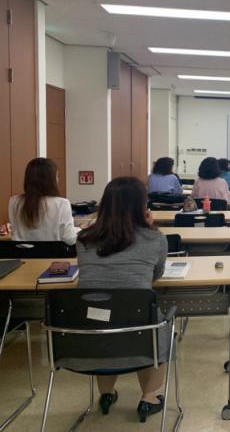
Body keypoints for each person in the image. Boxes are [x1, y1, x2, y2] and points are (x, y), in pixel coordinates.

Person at [75, 177, 170, 421]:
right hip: (138, 329)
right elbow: (156, 274)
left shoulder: (84, 239)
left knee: (105, 318)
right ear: (142, 206)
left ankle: (106, 393)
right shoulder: (155, 239)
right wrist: (150, 229)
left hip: (91, 330)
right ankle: (149, 397)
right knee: (155, 325)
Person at [8, 158, 77, 245]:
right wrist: (79, 231)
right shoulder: (62, 203)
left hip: (22, 253)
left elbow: (14, 232)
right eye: (57, 176)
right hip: (52, 253)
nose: (58, 179)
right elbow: (70, 239)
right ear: (50, 180)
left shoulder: (14, 201)